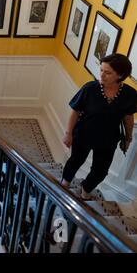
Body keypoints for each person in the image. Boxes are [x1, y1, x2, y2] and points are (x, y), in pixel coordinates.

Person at [60, 54, 137, 200]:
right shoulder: (90, 88)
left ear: (120, 75)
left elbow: (128, 117)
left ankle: (86, 188)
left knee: (101, 171)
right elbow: (75, 111)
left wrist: (128, 138)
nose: (102, 75)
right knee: (76, 160)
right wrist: (68, 133)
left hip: (108, 139)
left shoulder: (130, 95)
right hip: (83, 134)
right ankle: (64, 183)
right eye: (101, 70)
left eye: (107, 72)